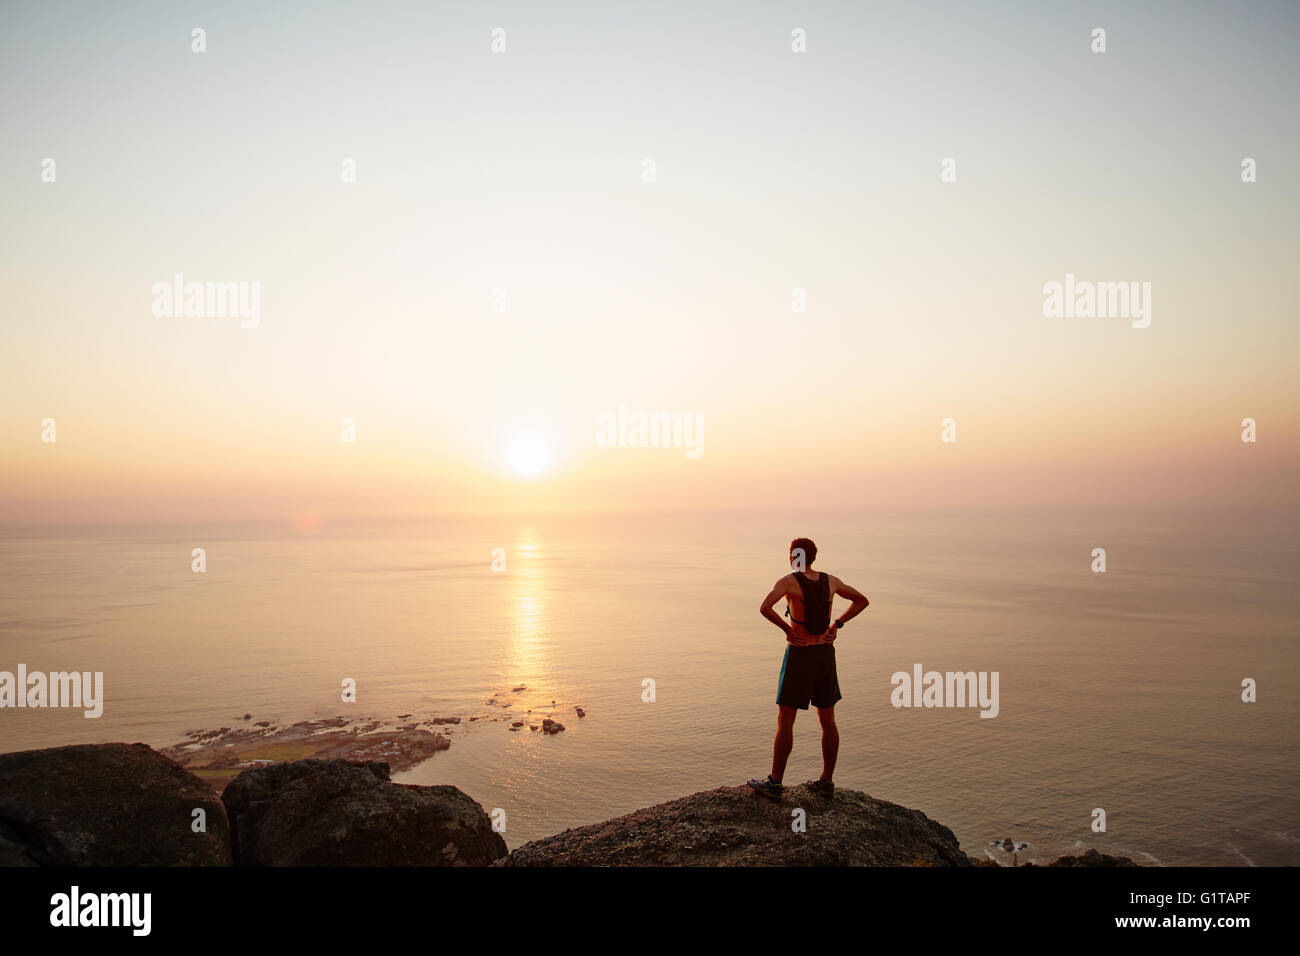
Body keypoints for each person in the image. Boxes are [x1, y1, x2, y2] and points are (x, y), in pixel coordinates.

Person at [747, 537, 869, 799]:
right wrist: (837, 624)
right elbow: (861, 601)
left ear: (794, 556)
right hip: (825, 654)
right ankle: (826, 782)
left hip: (800, 654)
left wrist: (787, 630)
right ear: (813, 557)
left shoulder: (788, 582)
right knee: (828, 720)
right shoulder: (831, 581)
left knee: (786, 721)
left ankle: (775, 783)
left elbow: (765, 607)